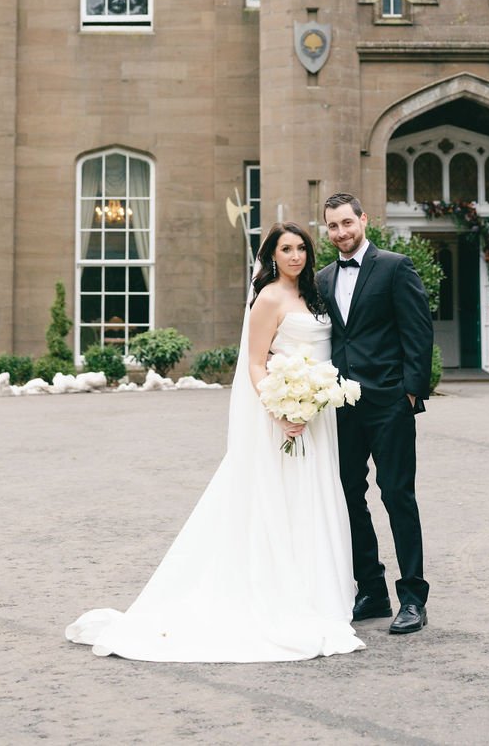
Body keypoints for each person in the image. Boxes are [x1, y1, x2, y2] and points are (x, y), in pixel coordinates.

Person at [65, 221, 364, 662]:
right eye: (286, 249)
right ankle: (279, 592)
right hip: (284, 416)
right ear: (272, 256)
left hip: (318, 417)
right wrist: (283, 411)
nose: (295, 256)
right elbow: (256, 365)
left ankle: (317, 590)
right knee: (277, 501)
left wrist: (313, 400)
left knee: (313, 498)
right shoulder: (267, 298)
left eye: (301, 248)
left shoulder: (315, 295)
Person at [315, 192, 434, 635]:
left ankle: (412, 597)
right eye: (332, 226)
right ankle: (372, 590)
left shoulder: (395, 266)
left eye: (347, 223)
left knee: (397, 495)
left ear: (363, 220)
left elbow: (418, 331)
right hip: (341, 406)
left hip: (388, 402)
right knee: (348, 496)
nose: (341, 233)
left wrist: (410, 393)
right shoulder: (324, 279)